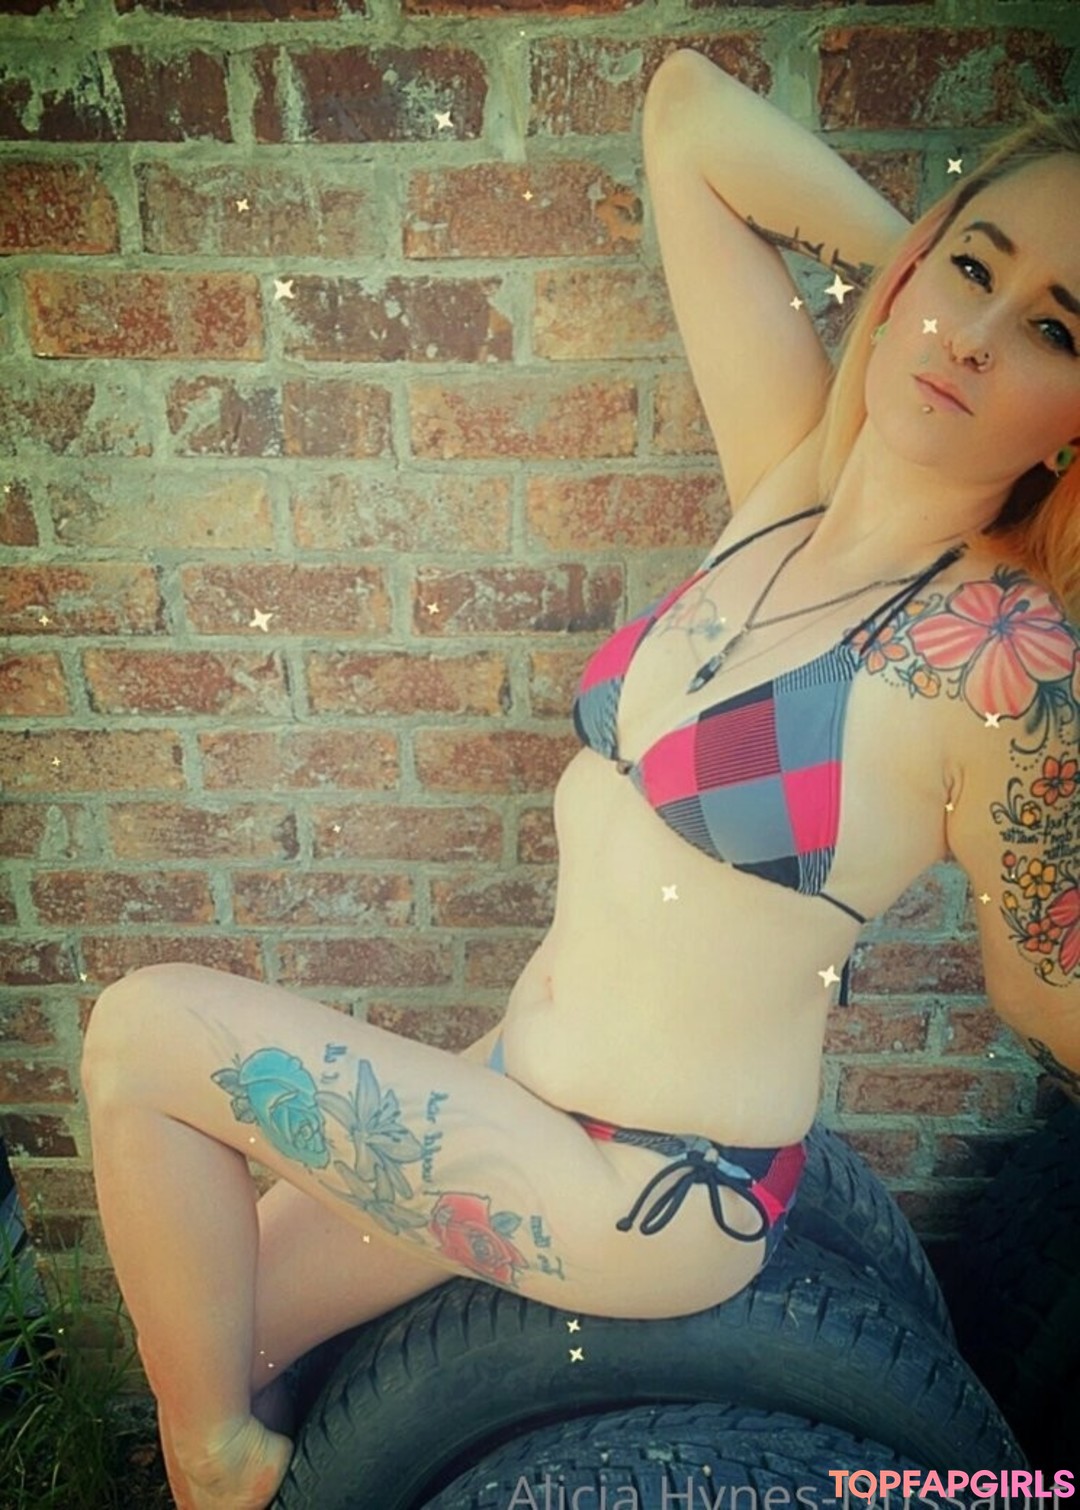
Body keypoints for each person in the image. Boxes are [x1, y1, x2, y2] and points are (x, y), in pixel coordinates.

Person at [81, 48, 1080, 1510]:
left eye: (1054, 329)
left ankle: (213, 1467)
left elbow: (1049, 988)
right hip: (515, 1088)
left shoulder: (1004, 661)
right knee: (229, 1322)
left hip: (649, 1187)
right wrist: (912, 293)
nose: (976, 339)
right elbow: (687, 117)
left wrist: (945, 295)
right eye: (973, 265)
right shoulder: (787, 487)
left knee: (140, 1039)